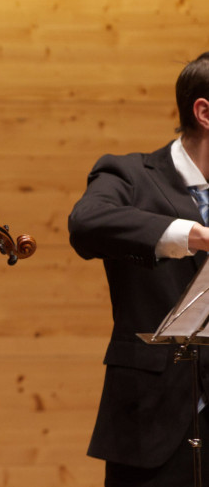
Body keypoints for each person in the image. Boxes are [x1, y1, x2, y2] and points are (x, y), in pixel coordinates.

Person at [69, 52, 209, 486]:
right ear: (204, 113)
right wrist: (195, 234)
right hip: (153, 422)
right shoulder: (129, 175)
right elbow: (87, 223)